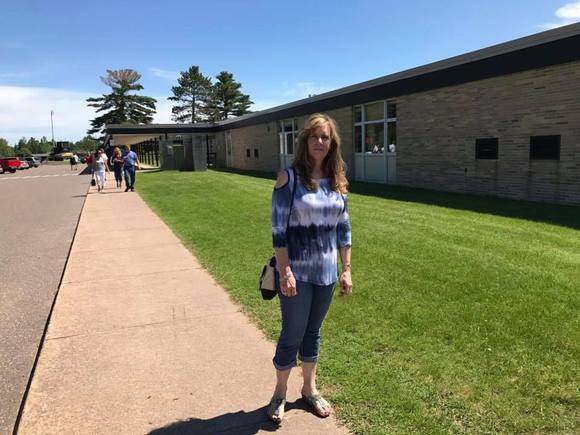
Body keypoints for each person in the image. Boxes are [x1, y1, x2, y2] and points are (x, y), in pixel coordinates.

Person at [267, 113, 353, 424]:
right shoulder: (288, 180)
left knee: (313, 332)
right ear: (305, 141)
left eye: (325, 137)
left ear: (332, 144)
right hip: (297, 274)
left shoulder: (337, 183)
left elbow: (344, 229)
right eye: (314, 136)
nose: (319, 141)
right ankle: (279, 393)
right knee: (293, 331)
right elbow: (278, 232)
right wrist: (285, 271)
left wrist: (346, 269)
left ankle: (309, 389)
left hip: (326, 273)